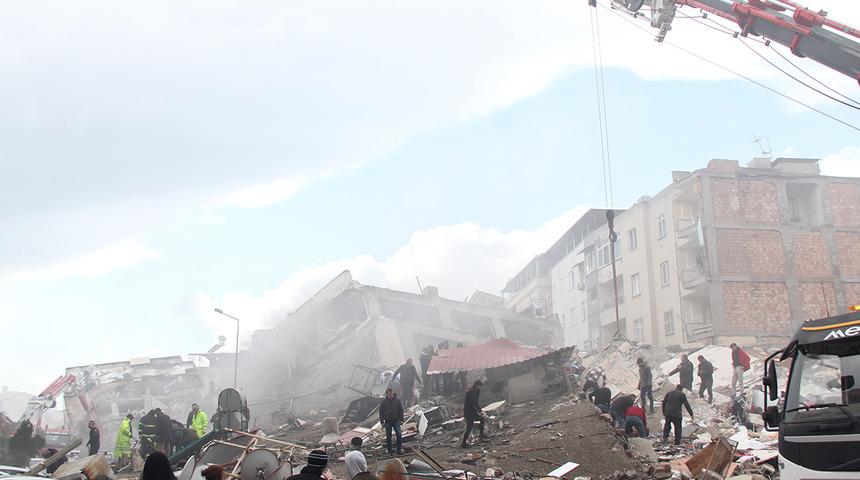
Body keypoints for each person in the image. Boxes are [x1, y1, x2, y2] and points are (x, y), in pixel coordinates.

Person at [460, 380, 487, 447]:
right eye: (480, 386)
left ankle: (481, 435)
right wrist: (480, 411)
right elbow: (473, 403)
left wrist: (480, 411)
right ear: (477, 385)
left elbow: (476, 402)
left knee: (482, 419)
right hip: (468, 412)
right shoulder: (470, 393)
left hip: (473, 412)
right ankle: (463, 443)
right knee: (469, 427)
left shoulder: (477, 391)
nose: (481, 388)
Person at [379, 388, 404, 455]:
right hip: (388, 421)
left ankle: (399, 450)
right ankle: (390, 451)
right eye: (389, 394)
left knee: (399, 434)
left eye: (391, 394)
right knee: (388, 436)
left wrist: (401, 419)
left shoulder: (397, 400)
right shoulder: (384, 402)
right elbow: (381, 412)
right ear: (387, 394)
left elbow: (401, 410)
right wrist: (382, 421)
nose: (391, 396)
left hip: (396, 421)